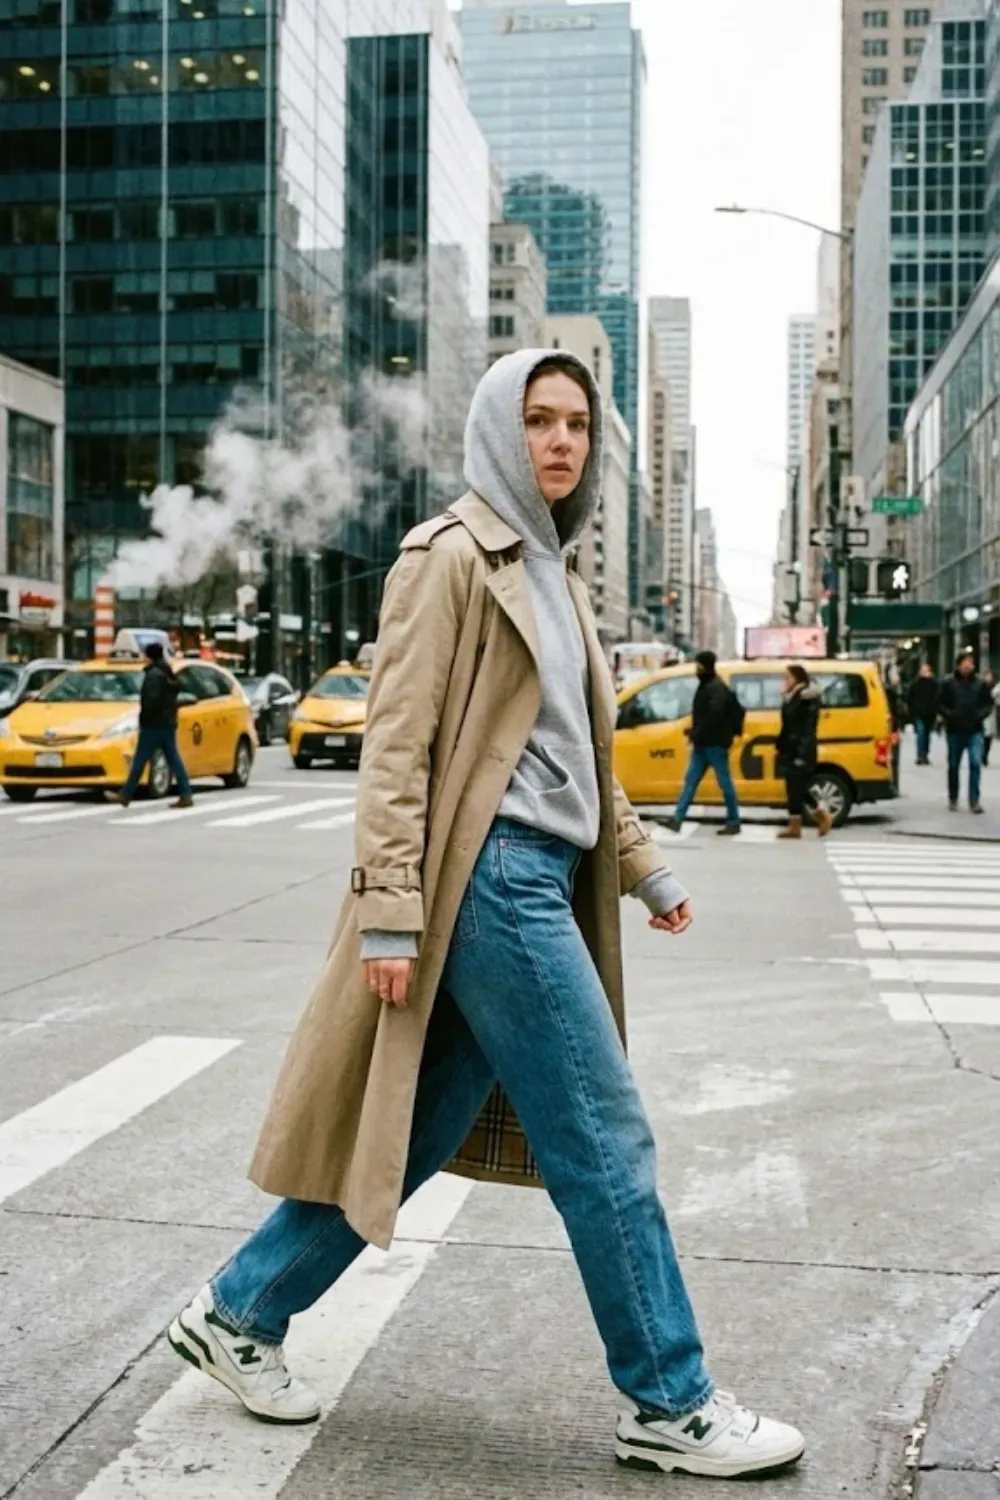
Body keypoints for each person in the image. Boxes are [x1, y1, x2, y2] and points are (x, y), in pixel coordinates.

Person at [166, 350, 804, 1480]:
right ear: (499, 433)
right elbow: (395, 751)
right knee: (605, 1141)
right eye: (539, 421)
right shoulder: (448, 557)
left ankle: (239, 1310)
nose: (560, 441)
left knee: (421, 1132)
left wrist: (648, 868)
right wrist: (391, 917)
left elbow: (579, 759)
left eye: (576, 424)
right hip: (492, 884)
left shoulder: (555, 573)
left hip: (542, 876)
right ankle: (670, 1396)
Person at [665, 651, 744, 837]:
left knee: (724, 784)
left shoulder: (714, 688)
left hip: (714, 745)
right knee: (690, 782)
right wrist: (695, 733)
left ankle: (734, 821)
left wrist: (696, 732)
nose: (697, 670)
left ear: (707, 666)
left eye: (699, 666)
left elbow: (713, 717)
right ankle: (677, 819)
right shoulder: (709, 685)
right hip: (703, 745)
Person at [112, 642, 193, 809]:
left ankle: (125, 795)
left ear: (149, 656)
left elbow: (150, 702)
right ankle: (186, 794)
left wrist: (144, 720)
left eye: (145, 655)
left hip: (153, 725)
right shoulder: (167, 672)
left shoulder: (153, 676)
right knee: (174, 759)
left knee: (140, 760)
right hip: (167, 723)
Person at [775, 664, 834, 840]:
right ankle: (799, 824)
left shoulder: (806, 699)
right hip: (790, 749)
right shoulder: (792, 697)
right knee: (796, 789)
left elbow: (807, 730)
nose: (785, 681)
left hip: (801, 751)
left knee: (796, 789)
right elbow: (787, 726)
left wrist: (801, 754)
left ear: (798, 679)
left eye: (788, 678)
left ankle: (817, 817)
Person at [938, 653, 994, 813]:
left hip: (975, 730)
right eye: (965, 662)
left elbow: (988, 704)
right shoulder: (948, 683)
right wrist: (950, 715)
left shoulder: (980, 684)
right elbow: (940, 703)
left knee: (975, 763)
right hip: (955, 730)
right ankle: (953, 797)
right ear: (958, 665)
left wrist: (980, 715)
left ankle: (974, 800)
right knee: (954, 764)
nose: (969, 665)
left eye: (971, 662)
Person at [907, 662, 940, 767]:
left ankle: (925, 754)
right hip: (919, 713)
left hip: (930, 713)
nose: (925, 673)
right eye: (923, 671)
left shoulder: (934, 684)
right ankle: (920, 755)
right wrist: (912, 710)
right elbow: (909, 697)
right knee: (921, 733)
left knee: (927, 735)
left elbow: (938, 697)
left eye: (927, 671)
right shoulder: (915, 684)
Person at [982, 668, 997, 766]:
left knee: (989, 736)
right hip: (981, 714)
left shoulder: (995, 687)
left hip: (991, 714)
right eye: (987, 676)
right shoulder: (980, 687)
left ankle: (985, 754)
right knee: (983, 735)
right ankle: (982, 755)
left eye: (990, 676)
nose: (988, 678)